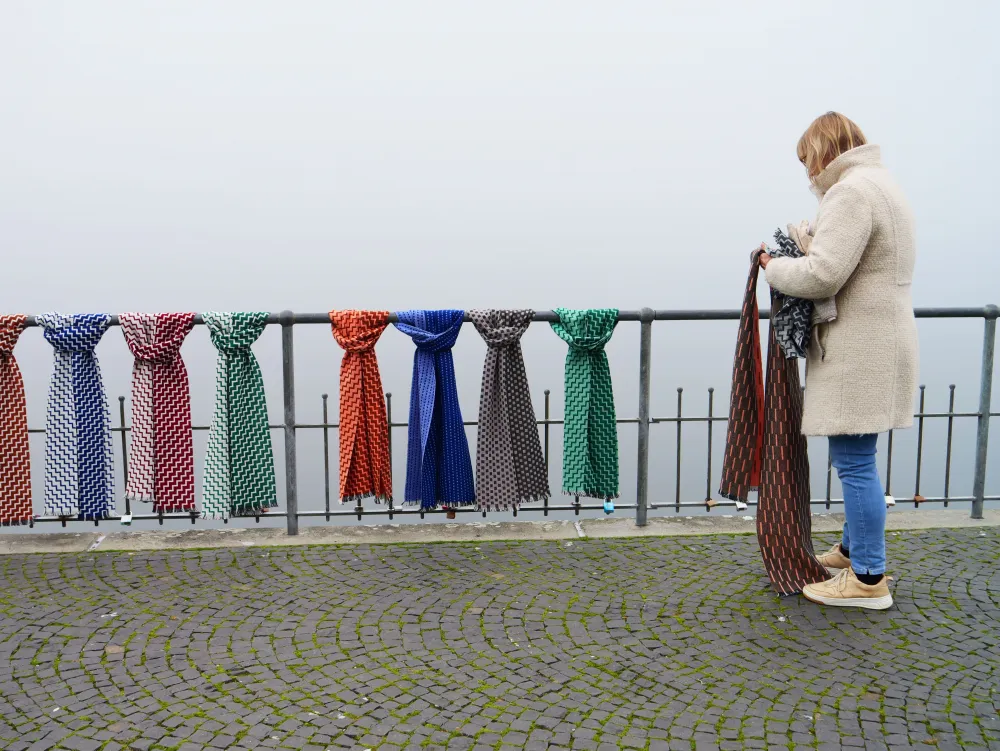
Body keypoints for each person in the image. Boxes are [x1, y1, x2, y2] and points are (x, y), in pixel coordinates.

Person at [759, 112, 918, 610]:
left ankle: (869, 580)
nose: (807, 173)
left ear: (824, 151)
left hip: (859, 346)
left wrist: (774, 267)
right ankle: (853, 552)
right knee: (859, 457)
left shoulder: (849, 192)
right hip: (882, 336)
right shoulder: (882, 184)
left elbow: (825, 274)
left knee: (853, 462)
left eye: (808, 160)